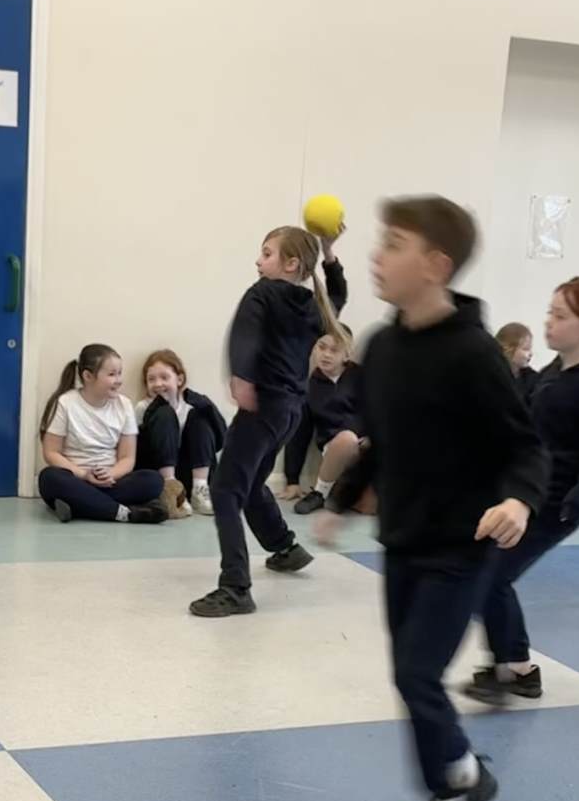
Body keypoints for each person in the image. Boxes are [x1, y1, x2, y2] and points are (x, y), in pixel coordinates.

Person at [315, 196, 546, 801]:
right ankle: (455, 774)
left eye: (394, 244)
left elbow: (524, 446)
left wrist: (517, 500)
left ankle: (460, 776)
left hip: (462, 546)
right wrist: (340, 502)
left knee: (418, 672)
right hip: (404, 540)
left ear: (436, 266)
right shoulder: (383, 345)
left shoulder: (474, 353)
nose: (377, 255)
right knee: (408, 673)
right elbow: (380, 440)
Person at [464, 278, 579, 706]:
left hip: (554, 505)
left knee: (492, 576)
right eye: (550, 312)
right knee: (482, 573)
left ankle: (516, 669)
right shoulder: (554, 374)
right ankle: (513, 666)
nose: (549, 322)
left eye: (560, 315)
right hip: (523, 494)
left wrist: (578, 502)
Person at [189, 223, 348, 617]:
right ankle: (285, 548)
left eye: (267, 253)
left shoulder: (261, 292)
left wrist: (241, 376)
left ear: (291, 263)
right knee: (252, 481)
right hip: (290, 411)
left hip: (263, 407)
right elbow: (338, 298)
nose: (258, 261)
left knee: (225, 489)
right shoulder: (310, 303)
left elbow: (244, 335)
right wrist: (329, 254)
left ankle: (235, 587)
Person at [37, 343, 167, 524]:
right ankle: (124, 513)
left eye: (119, 373)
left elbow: (127, 458)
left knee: (154, 481)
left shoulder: (124, 405)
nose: (119, 380)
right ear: (88, 376)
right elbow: (51, 452)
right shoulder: (66, 403)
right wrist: (84, 474)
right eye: (112, 374)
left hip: (111, 482)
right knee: (49, 478)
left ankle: (81, 505)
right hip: (76, 479)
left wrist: (111, 474)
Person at [135, 349, 226, 517]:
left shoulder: (191, 406)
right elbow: (137, 446)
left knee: (199, 416)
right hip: (160, 472)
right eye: (151, 379)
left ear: (179, 379)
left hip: (190, 470)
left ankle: (200, 489)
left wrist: (208, 407)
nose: (158, 384)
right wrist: (154, 412)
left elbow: (220, 441)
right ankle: (171, 490)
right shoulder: (143, 407)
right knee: (164, 413)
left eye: (164, 377)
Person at [288, 330, 362, 513]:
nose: (326, 354)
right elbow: (299, 435)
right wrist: (292, 480)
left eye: (334, 350)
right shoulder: (308, 388)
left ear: (347, 355)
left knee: (370, 507)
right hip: (337, 448)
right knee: (347, 439)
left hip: (365, 447)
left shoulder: (362, 377)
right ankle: (320, 493)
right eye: (322, 347)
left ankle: (343, 492)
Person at [496, 321, 541, 406]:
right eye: (525, 349)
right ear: (509, 349)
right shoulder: (493, 377)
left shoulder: (533, 380)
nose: (531, 353)